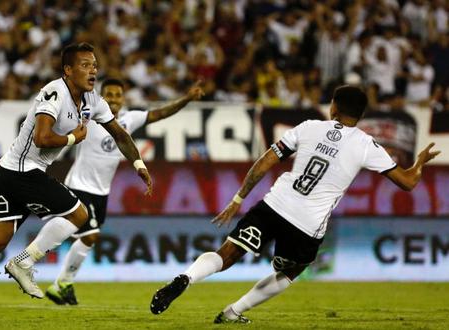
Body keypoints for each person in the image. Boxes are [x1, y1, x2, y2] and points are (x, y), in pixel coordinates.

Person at [149, 85, 440, 324]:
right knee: (290, 271)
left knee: (227, 253)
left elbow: (264, 162)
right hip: (307, 224)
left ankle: (186, 277)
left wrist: (238, 198)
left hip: (274, 205)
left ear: (333, 108)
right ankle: (232, 312)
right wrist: (420, 163)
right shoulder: (366, 145)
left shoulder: (309, 127)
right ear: (361, 115)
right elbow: (408, 182)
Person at [0, 42, 153, 321]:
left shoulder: (93, 101)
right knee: (79, 213)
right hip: (23, 170)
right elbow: (41, 138)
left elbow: (120, 134)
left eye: (94, 65)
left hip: (11, 171)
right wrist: (72, 138)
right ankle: (24, 262)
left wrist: (138, 163)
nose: (92, 71)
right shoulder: (55, 92)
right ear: (68, 70)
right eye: (85, 65)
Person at [45, 78, 205, 305]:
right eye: (108, 95)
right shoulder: (88, 116)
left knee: (89, 238)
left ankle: (64, 284)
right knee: (89, 236)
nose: (113, 99)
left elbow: (159, 114)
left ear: (123, 98)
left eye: (117, 95)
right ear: (101, 97)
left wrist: (187, 99)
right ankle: (58, 282)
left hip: (102, 192)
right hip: (80, 185)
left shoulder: (130, 119)